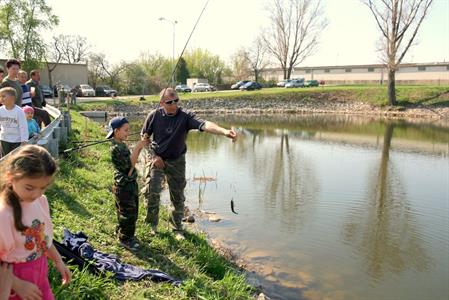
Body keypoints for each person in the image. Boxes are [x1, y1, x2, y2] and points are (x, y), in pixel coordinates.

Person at [141, 87, 237, 240]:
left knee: (177, 196)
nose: (174, 104)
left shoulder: (185, 116)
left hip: (177, 161)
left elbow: (205, 125)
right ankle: (152, 225)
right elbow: (144, 139)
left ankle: (177, 229)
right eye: (169, 102)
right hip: (157, 158)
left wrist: (224, 131)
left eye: (176, 101)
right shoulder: (153, 116)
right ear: (161, 103)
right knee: (152, 190)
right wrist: (154, 156)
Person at [0, 145, 72, 299]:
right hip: (14, 283)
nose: (36, 194)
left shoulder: (41, 201)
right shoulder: (4, 216)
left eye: (43, 188)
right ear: (10, 177)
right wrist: (17, 284)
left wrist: (58, 261)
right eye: (30, 187)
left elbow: (42, 239)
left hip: (40, 273)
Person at [107, 116, 149, 251]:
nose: (128, 133)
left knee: (128, 210)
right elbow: (128, 167)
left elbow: (130, 165)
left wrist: (139, 147)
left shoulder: (121, 144)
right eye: (125, 130)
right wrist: (138, 147)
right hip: (123, 185)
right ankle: (125, 239)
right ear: (116, 131)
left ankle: (121, 231)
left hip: (128, 184)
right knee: (128, 213)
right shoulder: (115, 148)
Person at [0, 87, 28, 156]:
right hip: (4, 139)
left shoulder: (19, 111)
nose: (1, 98)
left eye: (3, 96)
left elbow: (23, 127)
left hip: (16, 140)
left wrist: (24, 140)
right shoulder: (0, 110)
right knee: (5, 157)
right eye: (0, 96)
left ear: (12, 98)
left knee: (15, 157)